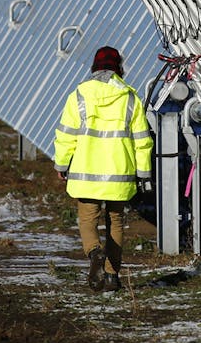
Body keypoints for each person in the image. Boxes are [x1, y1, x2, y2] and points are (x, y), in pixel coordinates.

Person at [53, 45, 153, 292]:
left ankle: (94, 252)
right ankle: (111, 276)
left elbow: (66, 134)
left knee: (88, 219)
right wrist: (144, 173)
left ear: (94, 68)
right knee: (116, 221)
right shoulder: (131, 97)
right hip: (119, 176)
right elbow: (142, 140)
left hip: (85, 174)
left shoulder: (79, 95)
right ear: (119, 68)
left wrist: (62, 163)